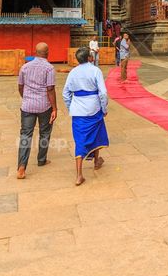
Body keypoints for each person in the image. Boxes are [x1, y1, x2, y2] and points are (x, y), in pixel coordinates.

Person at [61, 46, 109, 186]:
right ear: (89, 58)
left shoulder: (73, 72)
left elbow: (65, 93)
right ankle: (96, 161)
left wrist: (72, 107)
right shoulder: (95, 70)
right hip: (94, 108)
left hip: (78, 111)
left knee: (80, 140)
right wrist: (104, 108)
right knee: (98, 134)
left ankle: (79, 174)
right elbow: (103, 93)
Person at [16, 42, 57, 180]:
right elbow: (50, 89)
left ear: (35, 52)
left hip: (27, 106)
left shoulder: (25, 67)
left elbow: (20, 86)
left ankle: (21, 167)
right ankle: (41, 159)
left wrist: (26, 97)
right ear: (47, 53)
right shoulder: (49, 68)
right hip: (44, 105)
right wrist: (55, 108)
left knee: (25, 135)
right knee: (44, 132)